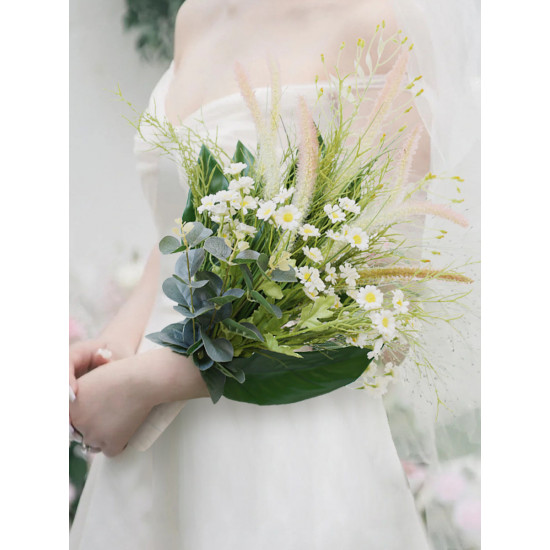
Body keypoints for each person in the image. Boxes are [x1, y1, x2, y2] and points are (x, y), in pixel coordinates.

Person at [69, 0, 476, 547]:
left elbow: (374, 300)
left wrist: (144, 383)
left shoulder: (376, 22)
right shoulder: (198, 16)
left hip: (285, 449)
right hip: (152, 442)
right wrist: (112, 351)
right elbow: (177, 233)